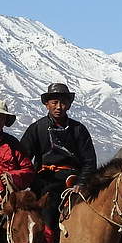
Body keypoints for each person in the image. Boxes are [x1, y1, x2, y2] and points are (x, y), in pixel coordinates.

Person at [19, 83, 97, 232]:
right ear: (47, 104)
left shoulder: (78, 130)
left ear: (68, 105)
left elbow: (89, 162)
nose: (59, 106)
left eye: (63, 102)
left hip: (73, 184)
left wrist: (81, 183)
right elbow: (23, 159)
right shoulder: (37, 128)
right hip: (45, 183)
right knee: (47, 218)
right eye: (54, 102)